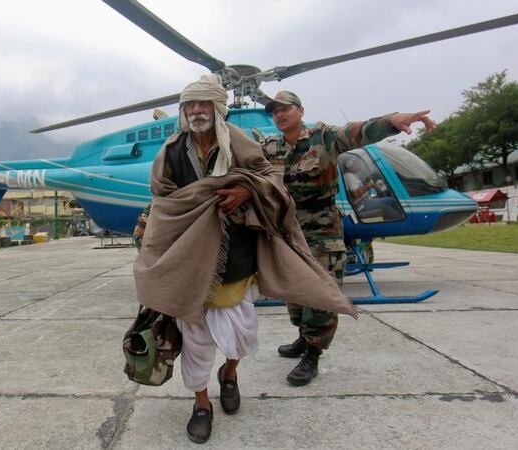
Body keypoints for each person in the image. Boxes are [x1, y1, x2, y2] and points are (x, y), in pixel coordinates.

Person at [134, 77, 355, 444]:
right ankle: (201, 404)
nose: (196, 111)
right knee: (197, 340)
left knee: (241, 337)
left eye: (204, 104)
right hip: (191, 259)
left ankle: (230, 373)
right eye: (190, 105)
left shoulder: (239, 141)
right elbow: (163, 199)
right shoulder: (171, 151)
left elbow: (269, 176)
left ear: (217, 108)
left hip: (235, 256)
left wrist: (245, 189)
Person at [262, 91, 434, 386]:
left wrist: (392, 121)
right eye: (275, 111)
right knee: (292, 291)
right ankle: (303, 336)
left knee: (321, 291)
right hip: (287, 229)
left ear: (301, 111)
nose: (279, 114)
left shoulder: (325, 137)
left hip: (321, 228)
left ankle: (313, 354)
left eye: (285, 109)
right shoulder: (270, 146)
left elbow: (359, 132)